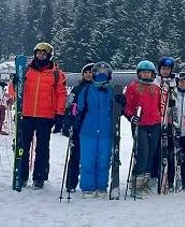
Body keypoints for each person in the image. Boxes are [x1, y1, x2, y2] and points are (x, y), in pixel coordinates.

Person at [18, 42, 67, 189]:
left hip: (45, 115)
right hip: (27, 114)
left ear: (48, 55)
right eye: (38, 53)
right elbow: (15, 92)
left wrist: (59, 113)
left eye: (44, 53)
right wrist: (15, 84)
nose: (41, 55)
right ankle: (21, 175)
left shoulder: (56, 73)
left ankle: (39, 177)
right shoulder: (26, 70)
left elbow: (61, 94)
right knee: (23, 146)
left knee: (42, 148)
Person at [74, 62, 115, 198]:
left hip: (106, 132)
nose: (101, 75)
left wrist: (121, 101)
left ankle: (102, 186)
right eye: (98, 72)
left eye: (104, 73)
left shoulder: (111, 90)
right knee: (88, 159)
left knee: (103, 160)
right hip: (88, 131)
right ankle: (88, 186)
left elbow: (118, 110)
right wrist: (72, 109)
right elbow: (78, 108)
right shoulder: (87, 89)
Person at [123, 61, 163, 199]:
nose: (146, 74)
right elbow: (127, 106)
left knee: (151, 153)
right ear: (139, 73)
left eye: (148, 72)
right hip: (141, 124)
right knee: (142, 153)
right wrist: (130, 116)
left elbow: (160, 106)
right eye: (143, 72)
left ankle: (144, 182)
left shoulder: (156, 88)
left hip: (155, 123)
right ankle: (135, 184)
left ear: (152, 74)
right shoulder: (133, 87)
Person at [62, 63, 94, 193]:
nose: (88, 74)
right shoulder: (77, 89)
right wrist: (67, 122)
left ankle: (89, 183)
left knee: (90, 156)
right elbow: (70, 105)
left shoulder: (98, 89)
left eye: (90, 72)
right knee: (75, 155)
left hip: (92, 126)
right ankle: (71, 183)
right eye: (86, 72)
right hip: (78, 126)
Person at [154, 56, 178, 192]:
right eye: (163, 68)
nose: (165, 71)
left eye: (168, 69)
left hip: (170, 122)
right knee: (157, 150)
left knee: (170, 151)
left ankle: (170, 178)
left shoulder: (175, 82)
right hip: (158, 121)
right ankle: (155, 176)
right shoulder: (155, 82)